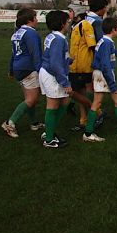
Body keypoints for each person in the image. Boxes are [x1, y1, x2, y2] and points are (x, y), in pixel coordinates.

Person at [2, 9, 44, 138]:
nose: (37, 20)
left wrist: (11, 69)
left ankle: (34, 123)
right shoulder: (32, 33)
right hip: (28, 68)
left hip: (18, 67)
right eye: (35, 17)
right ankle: (10, 123)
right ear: (29, 20)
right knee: (32, 99)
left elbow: (13, 53)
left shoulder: (17, 33)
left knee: (29, 99)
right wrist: (40, 71)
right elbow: (35, 54)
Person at [39, 10, 72, 148]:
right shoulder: (59, 39)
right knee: (52, 105)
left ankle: (49, 131)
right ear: (62, 24)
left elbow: (55, 57)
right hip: (52, 74)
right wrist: (65, 82)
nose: (69, 23)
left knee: (65, 100)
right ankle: (49, 140)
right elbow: (55, 63)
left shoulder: (52, 36)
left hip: (48, 71)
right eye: (67, 21)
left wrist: (68, 60)